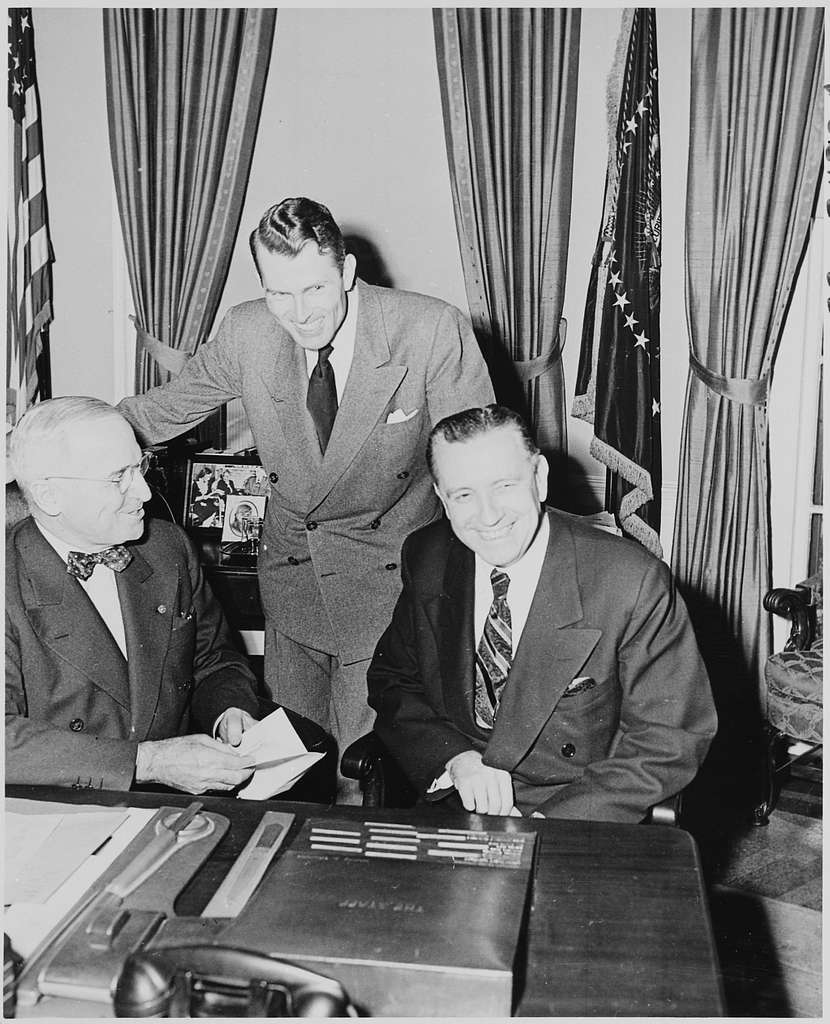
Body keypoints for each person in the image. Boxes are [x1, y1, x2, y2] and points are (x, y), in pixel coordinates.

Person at [118, 196, 494, 800]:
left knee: (357, 781)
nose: (300, 315)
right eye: (279, 294)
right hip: (291, 583)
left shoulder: (427, 329)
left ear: (346, 272)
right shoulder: (246, 331)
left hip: (386, 591)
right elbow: (164, 409)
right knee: (285, 775)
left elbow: (478, 455)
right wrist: (60, 435)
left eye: (315, 290)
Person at [367, 405, 717, 821]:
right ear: (442, 498)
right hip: (457, 801)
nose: (489, 515)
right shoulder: (428, 556)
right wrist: (454, 759)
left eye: (504, 486)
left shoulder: (629, 581)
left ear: (539, 478)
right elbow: (394, 681)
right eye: (463, 495)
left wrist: (550, 827)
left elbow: (668, 738)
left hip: (577, 814)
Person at [6, 397, 262, 794]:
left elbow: (214, 658)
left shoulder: (166, 547)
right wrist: (149, 762)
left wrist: (229, 709)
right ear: (48, 496)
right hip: (55, 811)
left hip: (170, 804)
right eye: (118, 477)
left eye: (140, 467)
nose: (143, 492)